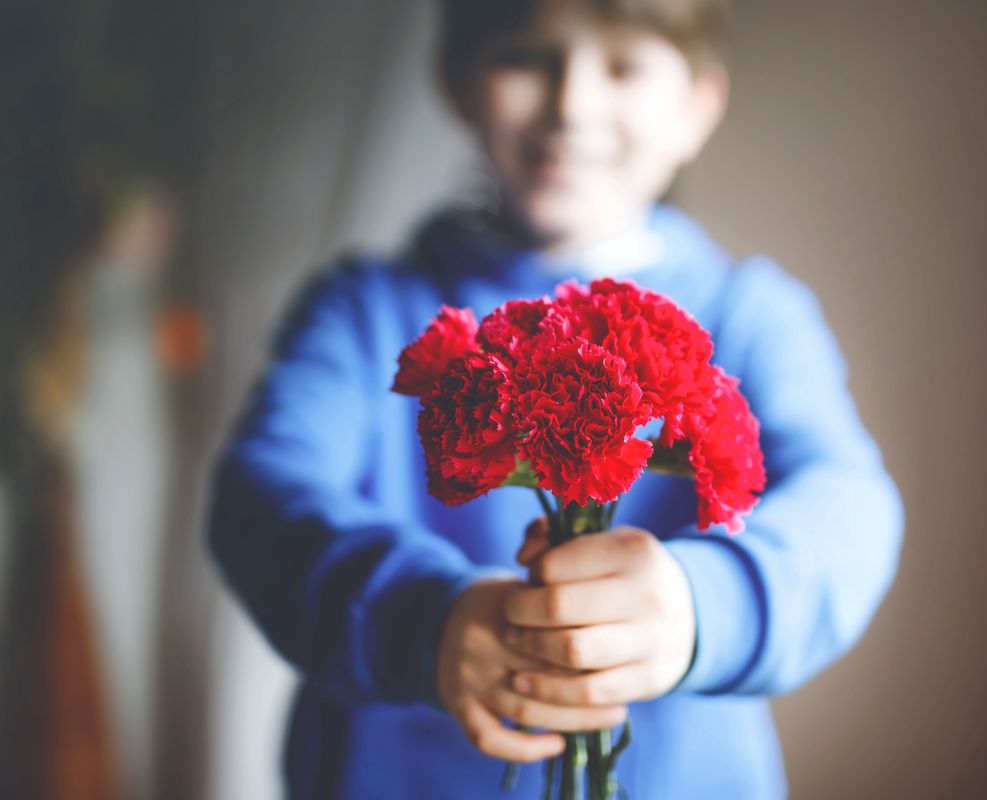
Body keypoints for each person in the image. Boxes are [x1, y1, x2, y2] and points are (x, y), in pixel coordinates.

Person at [208, 0, 905, 797]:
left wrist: (700, 606)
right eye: (528, 57)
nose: (573, 104)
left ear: (697, 106)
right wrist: (426, 620)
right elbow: (257, 498)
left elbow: (849, 505)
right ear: (457, 81)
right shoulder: (366, 312)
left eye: (624, 66)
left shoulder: (749, 314)